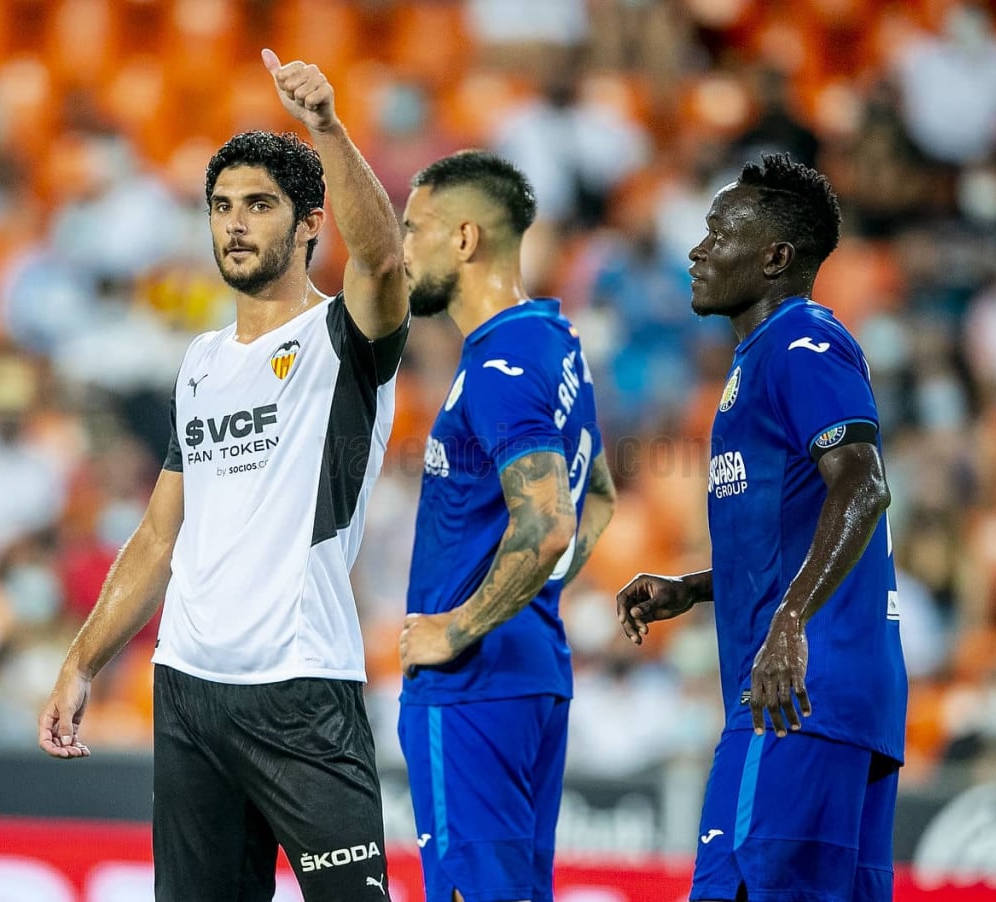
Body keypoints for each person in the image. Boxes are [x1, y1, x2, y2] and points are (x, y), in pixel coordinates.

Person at [37, 50, 409, 902]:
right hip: (189, 689)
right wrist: (82, 661)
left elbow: (385, 264)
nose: (235, 224)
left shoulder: (342, 341)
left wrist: (326, 127)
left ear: (310, 223)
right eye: (222, 206)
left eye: (259, 205)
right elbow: (158, 535)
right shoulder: (201, 361)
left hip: (301, 683)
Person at [617, 153, 907, 902]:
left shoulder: (801, 343)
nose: (698, 249)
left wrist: (790, 618)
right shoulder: (763, 358)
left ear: (775, 257)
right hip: (832, 700)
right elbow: (795, 532)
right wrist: (693, 588)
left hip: (794, 700)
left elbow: (864, 483)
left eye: (720, 233)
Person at [396, 150, 616, 902]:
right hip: (531, 669)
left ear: (464, 239)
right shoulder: (555, 343)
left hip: (472, 684)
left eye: (413, 228)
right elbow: (601, 496)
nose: (401, 248)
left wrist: (458, 627)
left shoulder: (498, 368)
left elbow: (550, 524)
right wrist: (531, 597)